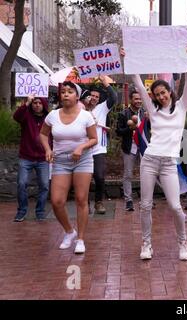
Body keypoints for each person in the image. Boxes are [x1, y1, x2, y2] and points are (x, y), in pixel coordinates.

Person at [128, 44, 187, 261]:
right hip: (150, 160)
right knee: (145, 205)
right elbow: (137, 83)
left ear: (169, 91)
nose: (161, 96)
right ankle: (146, 244)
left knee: (175, 206)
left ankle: (183, 242)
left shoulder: (182, 106)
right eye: (157, 95)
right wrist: (125, 61)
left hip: (168, 164)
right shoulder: (153, 110)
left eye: (163, 92)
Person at [39, 81, 98, 254]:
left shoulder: (85, 116)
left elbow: (93, 138)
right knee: (57, 201)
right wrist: (48, 149)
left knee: (81, 199)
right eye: (63, 91)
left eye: (70, 91)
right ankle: (69, 232)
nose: (65, 94)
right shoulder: (52, 115)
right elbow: (43, 134)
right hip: (60, 161)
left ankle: (80, 239)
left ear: (77, 96)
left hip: (83, 160)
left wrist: (80, 147)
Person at [13, 96, 51, 222]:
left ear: (44, 105)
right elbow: (16, 117)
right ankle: (22, 211)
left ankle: (40, 211)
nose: (37, 105)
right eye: (35, 102)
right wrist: (27, 102)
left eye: (40, 103)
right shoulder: (26, 116)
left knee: (44, 185)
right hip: (26, 157)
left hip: (42, 158)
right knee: (22, 183)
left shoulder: (48, 119)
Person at [84, 76, 118, 214]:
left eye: (96, 96)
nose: (93, 98)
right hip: (84, 149)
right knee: (84, 178)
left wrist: (106, 84)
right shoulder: (79, 109)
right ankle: (85, 203)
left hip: (98, 149)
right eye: (91, 95)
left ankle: (99, 202)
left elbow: (114, 97)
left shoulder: (102, 108)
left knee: (99, 176)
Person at [116, 90, 147, 212]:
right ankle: (129, 200)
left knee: (146, 174)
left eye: (140, 99)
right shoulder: (124, 113)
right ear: (131, 100)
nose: (139, 101)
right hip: (130, 147)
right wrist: (130, 129)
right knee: (128, 174)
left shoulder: (145, 113)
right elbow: (118, 131)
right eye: (136, 99)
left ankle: (146, 199)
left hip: (144, 147)